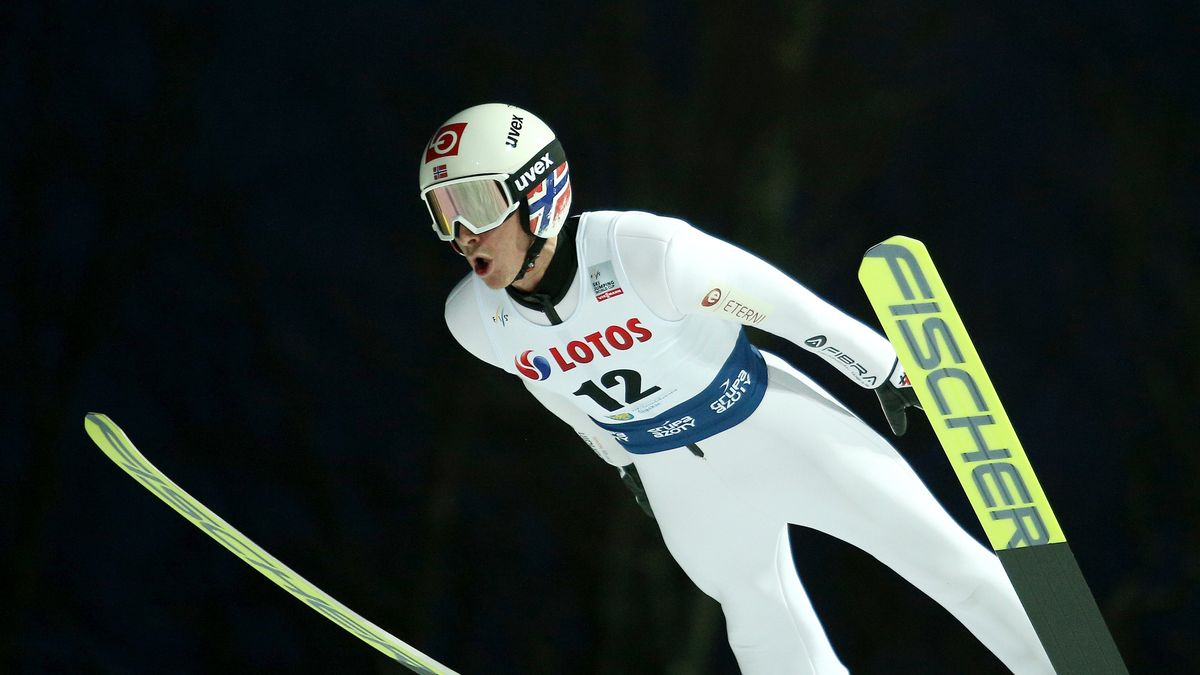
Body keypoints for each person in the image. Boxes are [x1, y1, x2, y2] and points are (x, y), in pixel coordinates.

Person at [420, 103, 1053, 674]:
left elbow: (787, 309)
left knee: (941, 560)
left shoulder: (645, 253)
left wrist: (881, 366)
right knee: (762, 630)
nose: (462, 235)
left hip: (776, 426)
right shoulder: (474, 320)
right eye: (443, 213)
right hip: (680, 485)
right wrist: (621, 463)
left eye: (475, 206)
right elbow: (557, 392)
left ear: (539, 193)